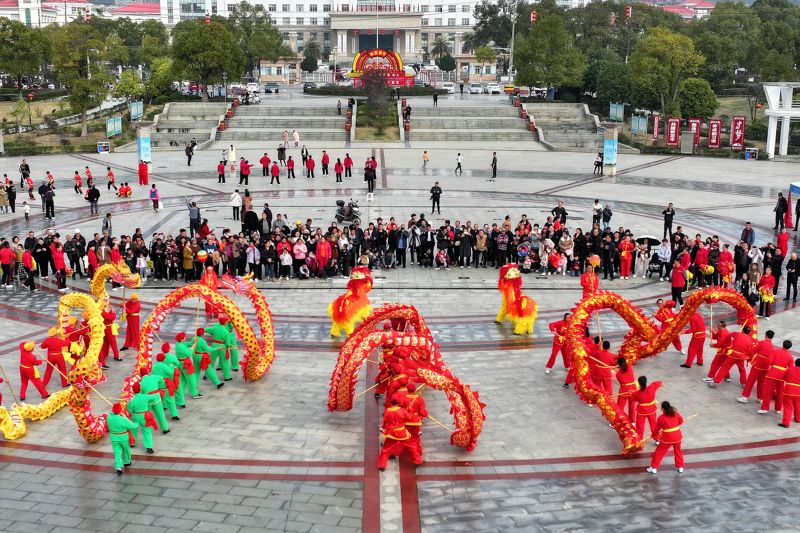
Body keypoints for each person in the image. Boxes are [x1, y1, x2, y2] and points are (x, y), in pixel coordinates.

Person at [646, 401, 685, 474]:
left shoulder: (661, 418)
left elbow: (657, 429)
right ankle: (680, 467)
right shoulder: (676, 413)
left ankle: (654, 467)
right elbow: (681, 421)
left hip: (668, 438)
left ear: (663, 409)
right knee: (678, 451)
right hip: (677, 436)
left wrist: (653, 435)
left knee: (659, 452)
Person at [739, 330, 775, 403]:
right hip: (766, 366)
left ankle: (745, 397)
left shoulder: (762, 343)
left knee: (750, 381)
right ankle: (760, 398)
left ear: (766, 335)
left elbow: (755, 350)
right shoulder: (772, 346)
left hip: (758, 364)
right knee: (762, 382)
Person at [759, 340, 794, 414]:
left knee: (768, 392)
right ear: (789, 347)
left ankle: (764, 408)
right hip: (782, 376)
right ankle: (778, 409)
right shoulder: (790, 356)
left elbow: (769, 361)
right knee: (780, 393)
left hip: (773, 374)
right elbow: (791, 368)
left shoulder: (775, 351)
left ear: (783, 344)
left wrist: (773, 365)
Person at [107, 403, 138, 475]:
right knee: (126, 450)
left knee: (117, 453)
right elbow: (132, 426)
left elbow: (111, 416)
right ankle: (127, 462)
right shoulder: (122, 419)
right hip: (123, 437)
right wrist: (137, 423)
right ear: (120, 410)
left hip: (114, 438)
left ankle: (118, 467)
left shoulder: (109, 418)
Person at [127, 383, 157, 455]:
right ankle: (149, 447)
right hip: (145, 416)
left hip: (136, 416)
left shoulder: (132, 400)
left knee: (133, 430)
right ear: (140, 389)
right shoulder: (145, 396)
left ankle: (132, 443)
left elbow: (129, 410)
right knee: (147, 431)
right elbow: (153, 397)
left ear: (133, 391)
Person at [631, 376, 661, 441]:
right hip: (651, 410)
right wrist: (659, 385)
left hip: (641, 411)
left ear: (639, 383)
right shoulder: (652, 387)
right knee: (653, 425)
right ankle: (657, 439)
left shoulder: (636, 393)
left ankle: (639, 440)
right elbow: (658, 383)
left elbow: (633, 399)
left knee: (640, 426)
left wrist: (631, 393)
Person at [779, 358, 800, 428]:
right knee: (798, 405)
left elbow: (783, 377)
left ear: (795, 363)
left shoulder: (790, 369)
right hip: (799, 391)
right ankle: (798, 419)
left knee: (788, 407)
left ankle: (786, 423)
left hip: (789, 390)